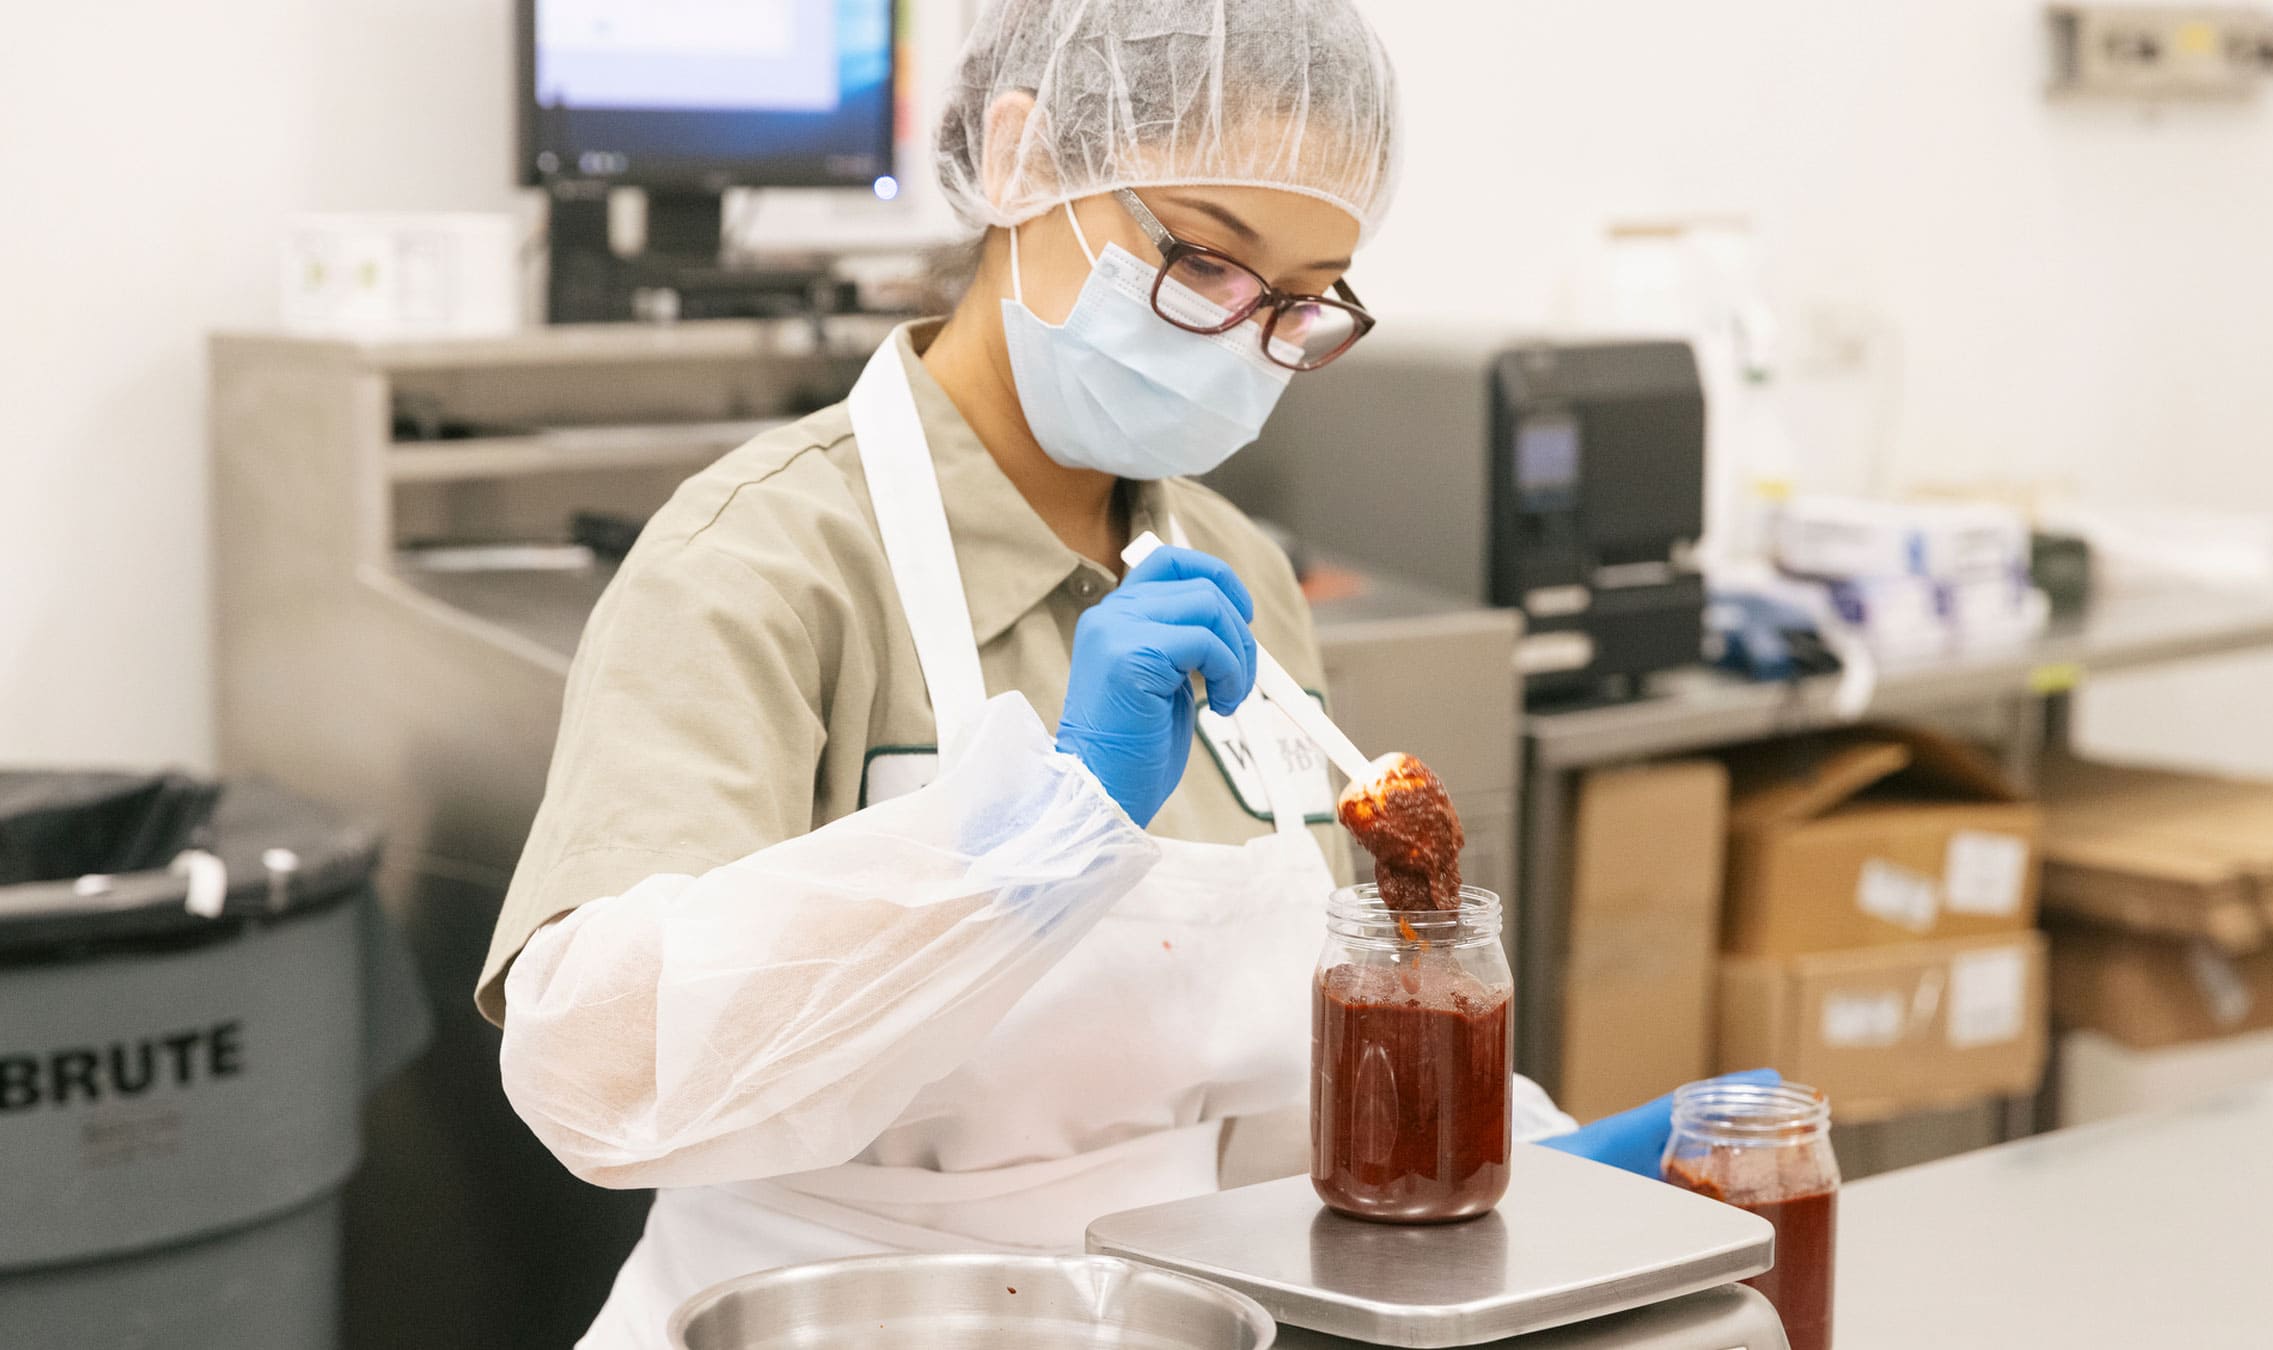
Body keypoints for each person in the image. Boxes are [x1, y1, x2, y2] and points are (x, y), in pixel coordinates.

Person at [480, 3, 1765, 1344]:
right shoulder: (764, 559)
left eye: (1304, 300)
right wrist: (1042, 826)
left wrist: (1543, 1173)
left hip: (1165, 1309)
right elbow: (592, 1069)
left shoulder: (1234, 575)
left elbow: (1261, 1095)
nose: (1243, 332)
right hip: (812, 1308)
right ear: (1027, 160)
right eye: (1208, 262)